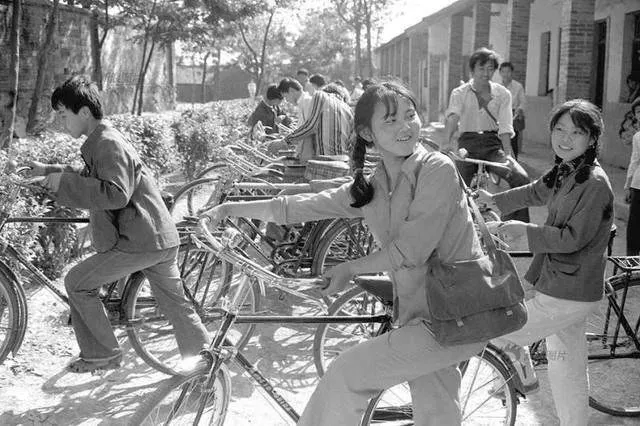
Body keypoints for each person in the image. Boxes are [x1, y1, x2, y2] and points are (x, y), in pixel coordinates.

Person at [200, 81, 487, 424]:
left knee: (346, 374)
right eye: (391, 120)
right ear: (367, 133)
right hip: (419, 314)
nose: (405, 127)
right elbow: (302, 205)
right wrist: (231, 208)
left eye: (410, 115)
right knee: (437, 412)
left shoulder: (436, 169)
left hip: (456, 316)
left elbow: (409, 251)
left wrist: (350, 268)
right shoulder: (376, 185)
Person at [28, 76, 209, 373]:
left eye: (63, 114)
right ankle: (206, 368)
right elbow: (91, 177)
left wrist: (62, 183)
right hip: (157, 238)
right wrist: (49, 171)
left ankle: (103, 353)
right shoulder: (103, 139)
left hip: (139, 240)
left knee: (77, 283)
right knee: (178, 307)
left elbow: (115, 193)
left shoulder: (107, 143)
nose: (61, 122)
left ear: (84, 112)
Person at [477, 99, 614, 426]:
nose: (565, 138)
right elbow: (535, 192)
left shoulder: (594, 183)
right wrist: (494, 200)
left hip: (570, 291)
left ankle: (520, 372)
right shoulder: (567, 169)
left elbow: (572, 239)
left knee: (502, 331)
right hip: (563, 286)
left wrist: (525, 231)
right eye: (559, 129)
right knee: (567, 368)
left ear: (592, 139)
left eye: (576, 132)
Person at [444, 47, 530, 222]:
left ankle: (514, 225)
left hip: (492, 145)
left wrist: (508, 155)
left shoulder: (503, 94)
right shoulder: (460, 92)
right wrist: (446, 142)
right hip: (467, 146)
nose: (486, 73)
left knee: (521, 178)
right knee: (455, 187)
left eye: (490, 69)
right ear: (472, 70)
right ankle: (456, 227)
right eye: (481, 68)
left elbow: (505, 126)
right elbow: (453, 117)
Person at [283, 79, 354, 159]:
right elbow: (351, 143)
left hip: (323, 160)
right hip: (343, 161)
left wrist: (286, 141)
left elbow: (310, 126)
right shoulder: (348, 109)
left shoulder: (321, 95)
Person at [499, 62, 527, 159]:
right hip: (499, 115)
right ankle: (501, 161)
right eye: (503, 71)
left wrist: (519, 110)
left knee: (513, 140)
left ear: (512, 73)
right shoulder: (497, 87)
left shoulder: (518, 86)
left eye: (508, 71)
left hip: (513, 115)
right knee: (499, 140)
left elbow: (523, 102)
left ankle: (514, 161)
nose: (506, 74)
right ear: (500, 73)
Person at [624, 97, 640, 255]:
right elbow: (634, 162)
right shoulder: (637, 137)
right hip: (638, 185)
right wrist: (627, 186)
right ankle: (631, 260)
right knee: (634, 225)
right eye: (638, 112)